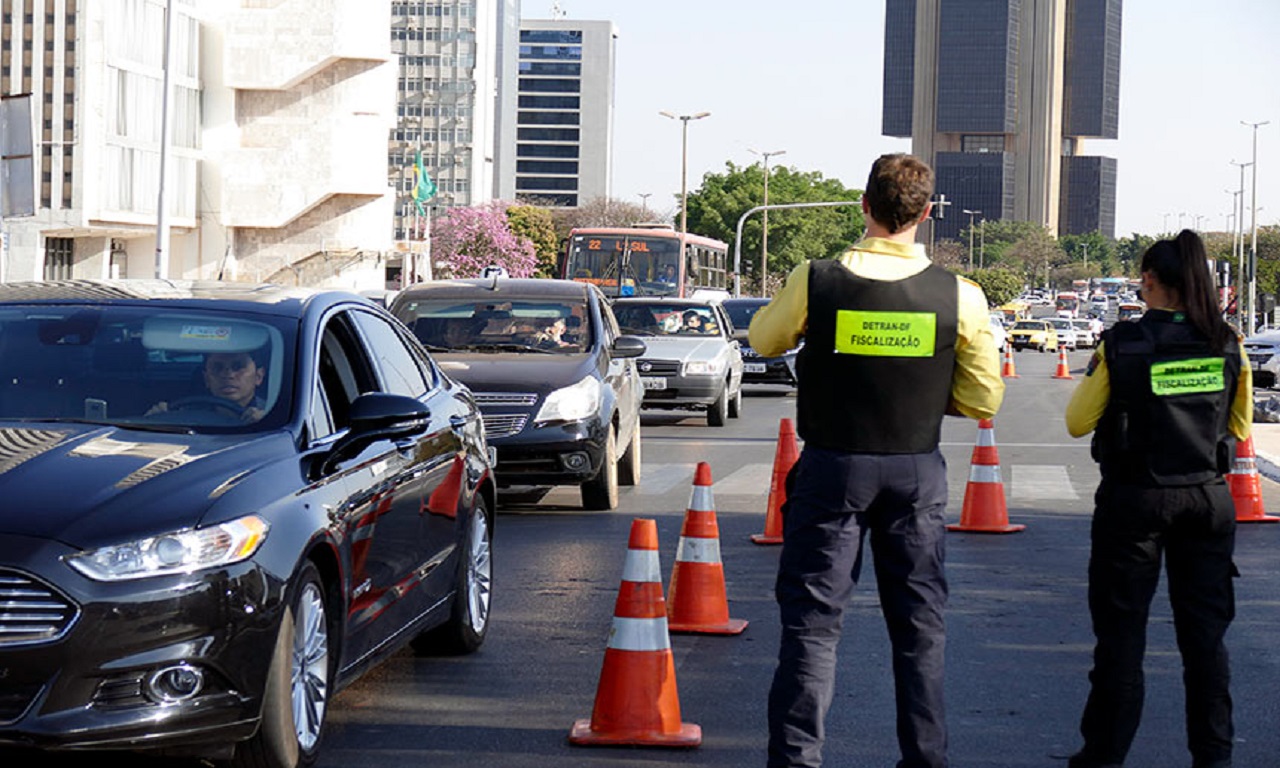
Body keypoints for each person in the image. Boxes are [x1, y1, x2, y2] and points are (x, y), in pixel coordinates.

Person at [750, 153, 1004, 768]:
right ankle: (924, 759)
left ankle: (796, 760)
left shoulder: (817, 279)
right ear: (925, 214)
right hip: (915, 471)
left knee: (812, 626)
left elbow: (763, 340)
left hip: (833, 468)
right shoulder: (960, 296)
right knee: (920, 629)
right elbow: (983, 398)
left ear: (864, 206)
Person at [1063, 230, 1252, 768]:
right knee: (1206, 642)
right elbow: (1237, 425)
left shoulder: (1121, 342)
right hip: (1206, 501)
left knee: (1122, 639)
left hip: (1135, 501)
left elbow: (1078, 423)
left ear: (1148, 281)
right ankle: (1213, 756)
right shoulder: (1226, 342)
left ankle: (1104, 755)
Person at [148, 350, 268, 423]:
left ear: (258, 376)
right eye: (217, 367)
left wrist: (265, 423)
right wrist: (154, 420)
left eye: (238, 367)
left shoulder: (275, 415)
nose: (228, 375)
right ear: (206, 379)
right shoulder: (183, 414)